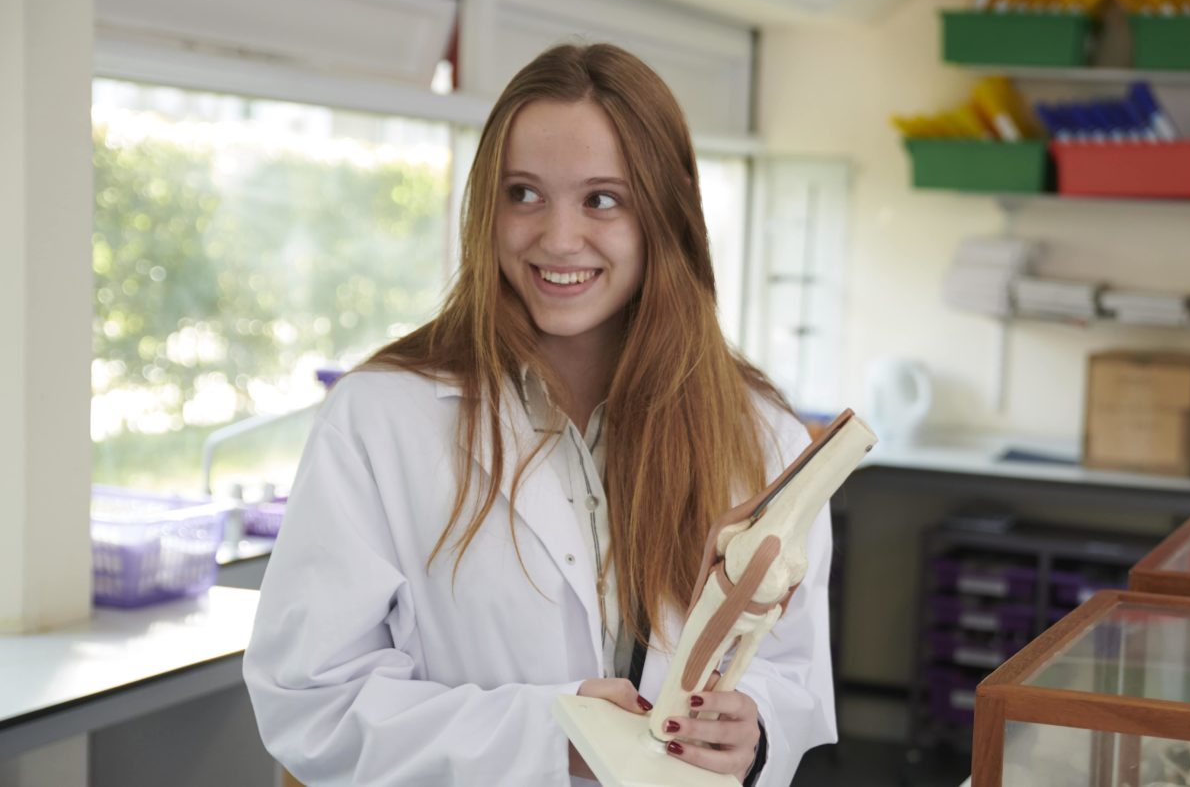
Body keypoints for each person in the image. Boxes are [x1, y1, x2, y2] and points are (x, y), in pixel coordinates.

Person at [243, 43, 835, 786]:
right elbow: (313, 703)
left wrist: (757, 729)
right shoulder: (380, 418)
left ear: (665, 214)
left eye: (602, 199)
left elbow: (790, 670)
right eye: (523, 193)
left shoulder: (759, 432)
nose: (558, 238)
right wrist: (550, 734)